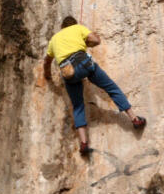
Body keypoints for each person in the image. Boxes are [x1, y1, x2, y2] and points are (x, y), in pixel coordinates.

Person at [43, 16, 146, 155]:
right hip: (83, 63)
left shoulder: (54, 39)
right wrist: (87, 42)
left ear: (62, 27)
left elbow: (47, 61)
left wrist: (47, 75)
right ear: (73, 24)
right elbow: (96, 40)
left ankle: (83, 144)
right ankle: (135, 119)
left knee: (78, 105)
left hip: (68, 72)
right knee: (111, 88)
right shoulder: (78, 28)